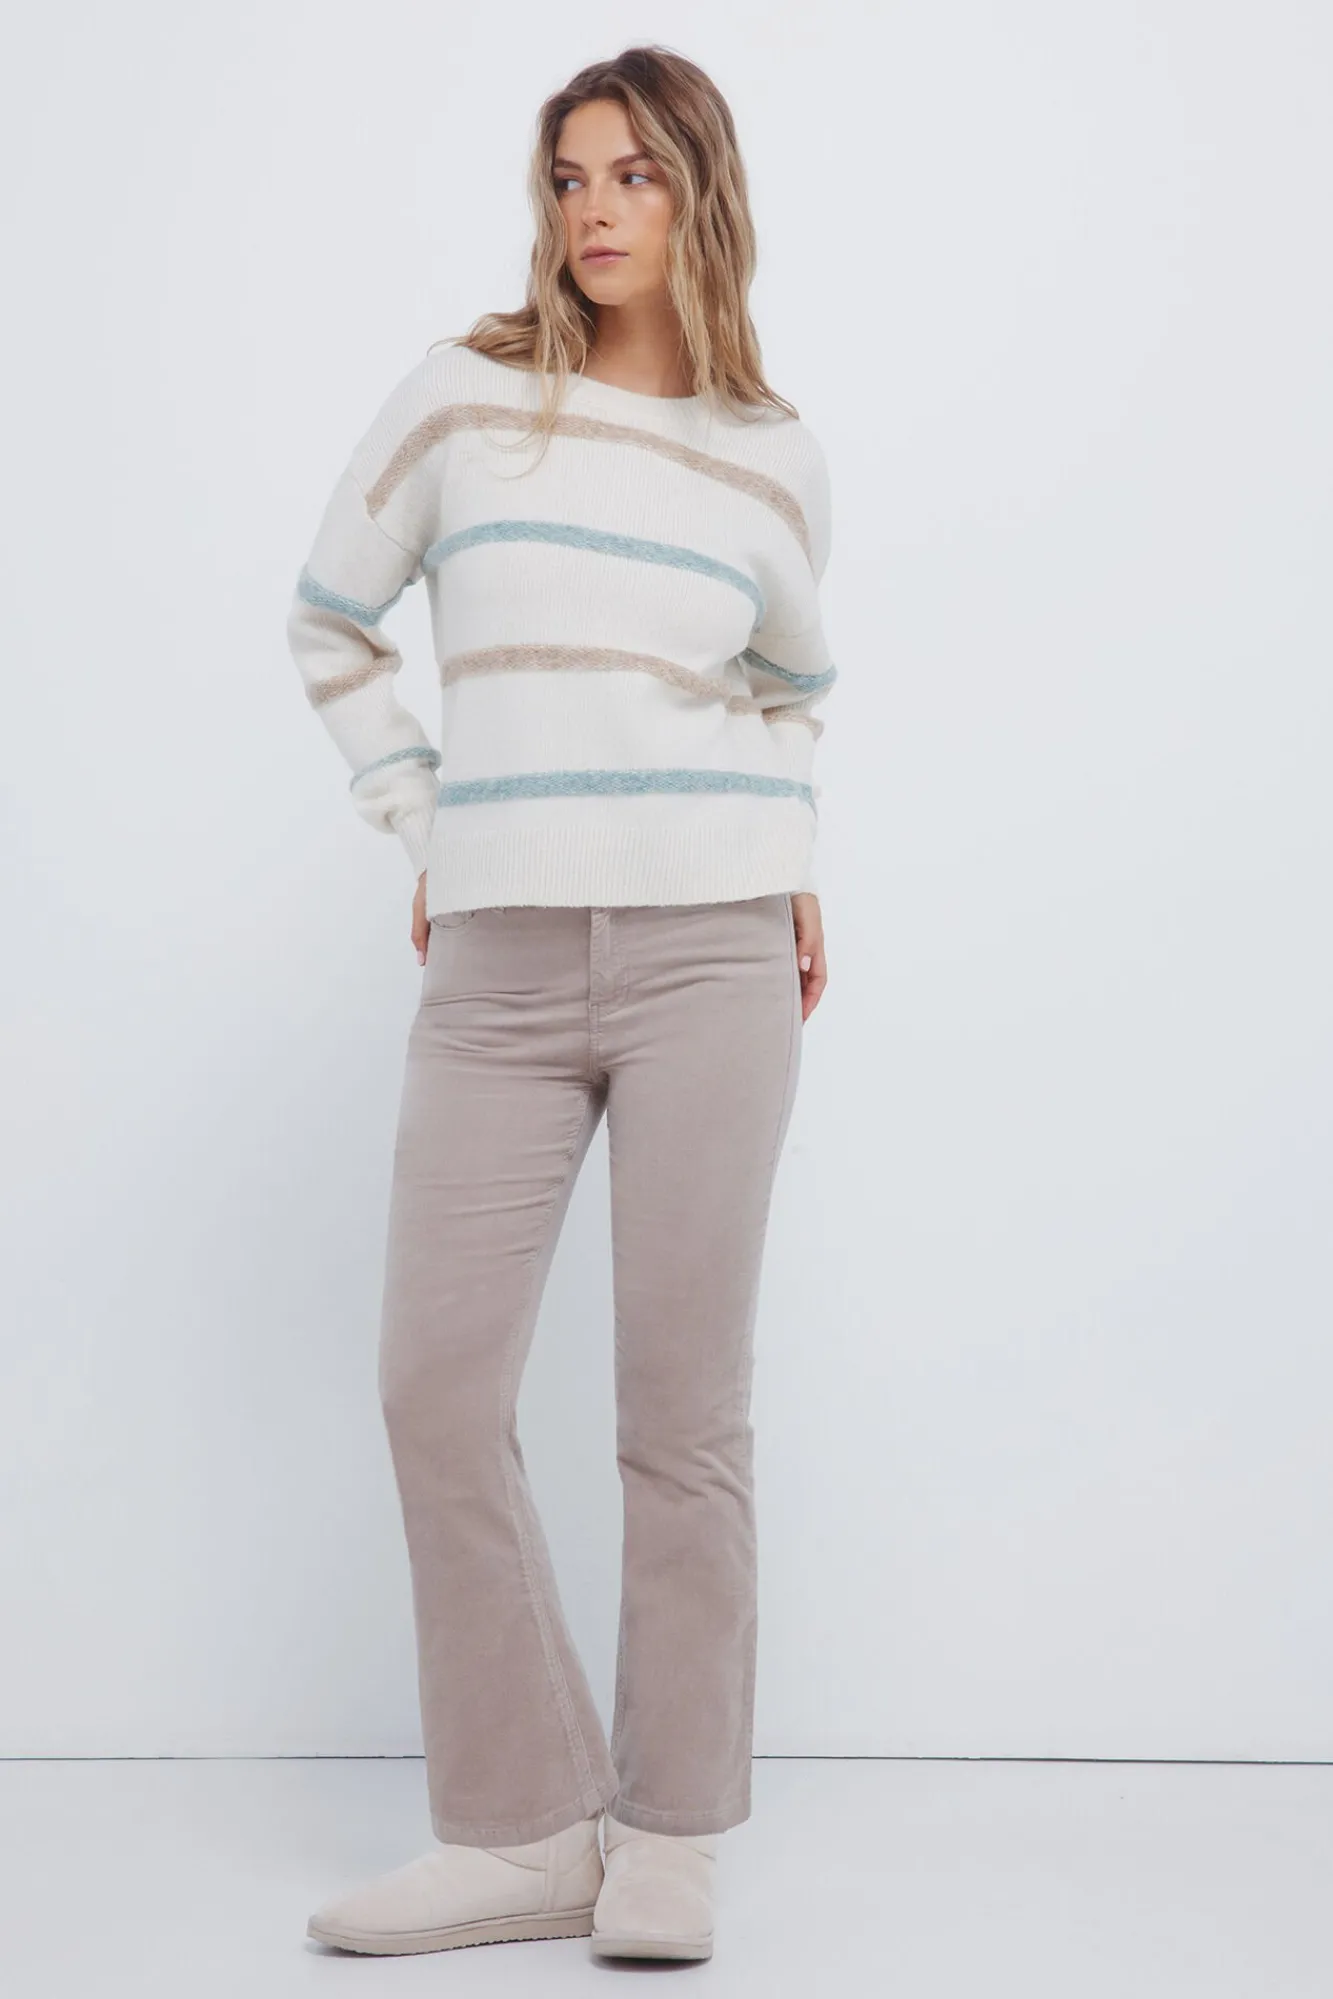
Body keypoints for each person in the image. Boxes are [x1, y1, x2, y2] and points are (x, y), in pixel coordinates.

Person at [286, 43, 836, 1964]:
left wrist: (792, 856)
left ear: (702, 194)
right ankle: (524, 1824)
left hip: (713, 951)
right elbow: (329, 619)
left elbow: (791, 690)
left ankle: (671, 1830)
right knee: (435, 1385)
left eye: (637, 175)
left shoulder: (773, 453)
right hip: (501, 960)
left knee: (682, 1414)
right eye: (572, 176)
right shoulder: (467, 398)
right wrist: (426, 818)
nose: (597, 209)